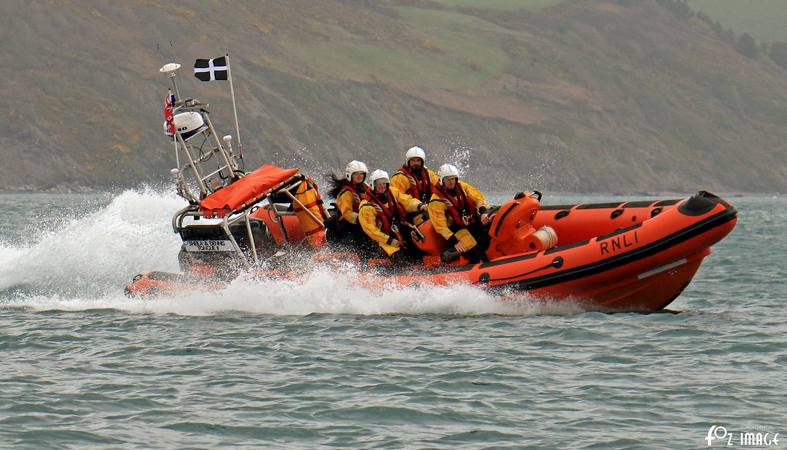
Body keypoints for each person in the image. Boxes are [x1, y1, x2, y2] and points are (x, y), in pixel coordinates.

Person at [358, 169, 427, 264]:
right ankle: (402, 274)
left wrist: (420, 205)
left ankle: (424, 267)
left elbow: (407, 201)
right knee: (399, 258)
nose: (382, 186)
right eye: (379, 183)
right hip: (382, 239)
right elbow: (370, 230)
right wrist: (389, 240)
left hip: (398, 230)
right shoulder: (366, 206)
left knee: (419, 243)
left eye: (384, 183)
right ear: (373, 184)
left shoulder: (393, 192)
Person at [428, 164, 492, 262]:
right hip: (456, 230)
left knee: (489, 232)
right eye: (447, 179)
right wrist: (455, 241)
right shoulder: (436, 200)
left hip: (472, 222)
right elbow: (440, 227)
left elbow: (478, 197)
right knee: (474, 246)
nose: (451, 182)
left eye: (453, 179)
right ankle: (480, 265)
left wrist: (483, 211)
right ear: (441, 180)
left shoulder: (463, 187)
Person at [327, 160, 372, 246]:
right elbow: (347, 213)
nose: (360, 176)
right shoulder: (346, 193)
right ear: (350, 175)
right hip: (350, 225)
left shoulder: (366, 187)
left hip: (367, 221)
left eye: (362, 173)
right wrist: (361, 220)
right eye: (356, 174)